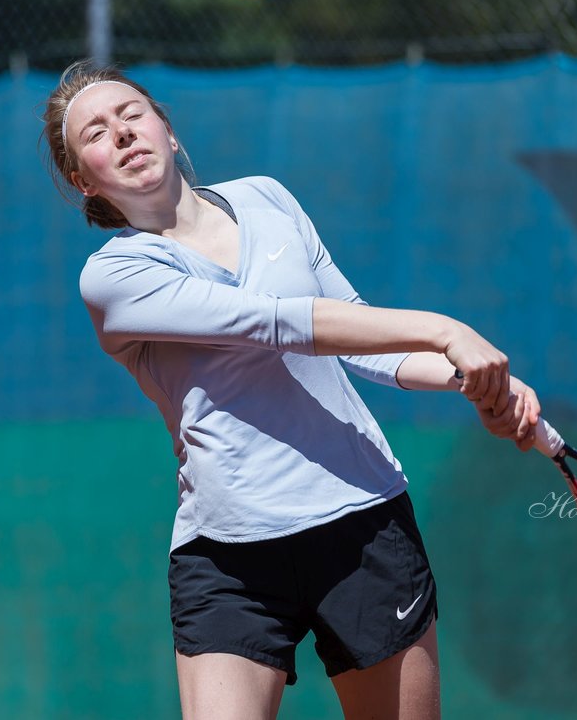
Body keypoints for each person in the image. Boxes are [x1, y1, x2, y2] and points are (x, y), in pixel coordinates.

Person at [42, 61, 542, 720]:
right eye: (97, 134)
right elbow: (277, 325)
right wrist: (445, 328)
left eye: (132, 115)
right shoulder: (115, 276)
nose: (123, 135)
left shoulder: (266, 198)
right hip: (228, 559)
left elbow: (362, 338)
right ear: (85, 181)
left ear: (166, 128)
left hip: (364, 524)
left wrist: (471, 379)